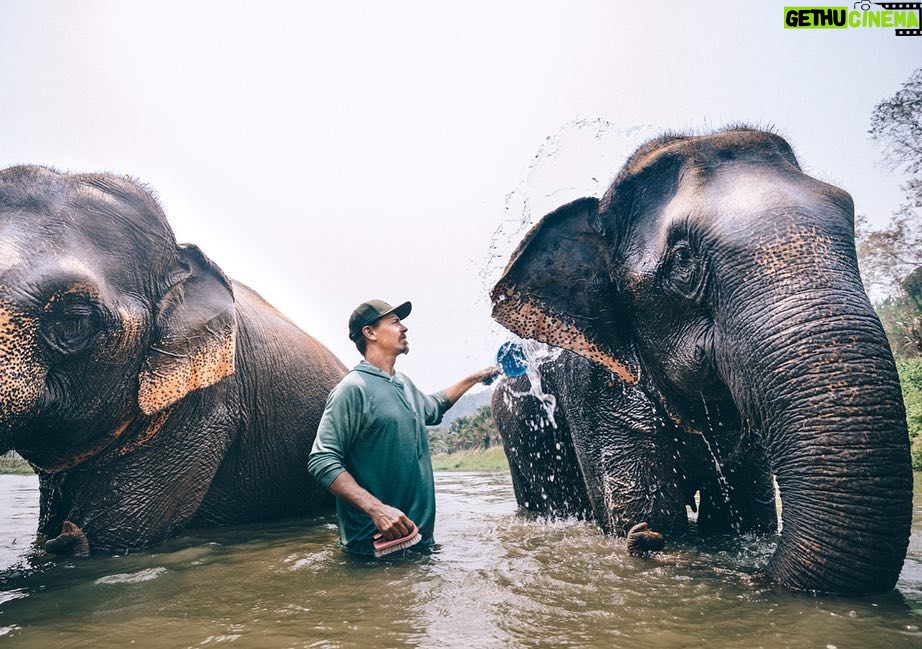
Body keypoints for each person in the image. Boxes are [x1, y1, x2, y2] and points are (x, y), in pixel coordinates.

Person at [307, 299, 498, 557]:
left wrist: (475, 378)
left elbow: (433, 407)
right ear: (370, 332)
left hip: (419, 541)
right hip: (374, 547)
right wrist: (377, 509)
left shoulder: (404, 384)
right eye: (395, 322)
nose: (404, 328)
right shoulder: (353, 389)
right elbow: (322, 460)